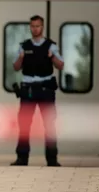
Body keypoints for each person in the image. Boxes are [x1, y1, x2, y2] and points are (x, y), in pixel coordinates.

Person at [11, 15, 64, 167]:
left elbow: (61, 65)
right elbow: (15, 67)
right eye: (33, 26)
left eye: (38, 26)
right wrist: (21, 57)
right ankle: (22, 158)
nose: (35, 29)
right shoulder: (24, 46)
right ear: (30, 27)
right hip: (28, 89)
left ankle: (52, 159)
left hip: (46, 88)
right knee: (24, 124)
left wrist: (52, 56)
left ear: (42, 27)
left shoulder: (51, 46)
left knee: (49, 124)